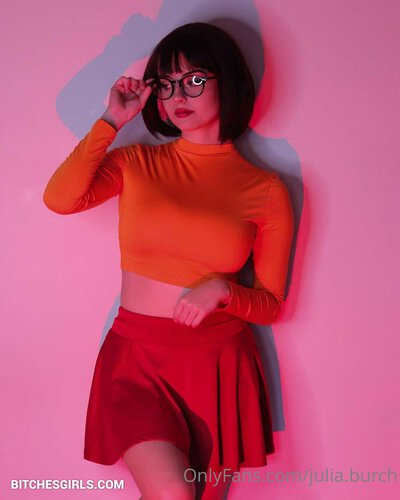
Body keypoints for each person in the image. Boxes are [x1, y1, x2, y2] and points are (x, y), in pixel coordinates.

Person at [43, 22, 294, 500]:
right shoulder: (137, 163)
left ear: (227, 81)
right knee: (174, 493)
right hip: (137, 359)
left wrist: (223, 290)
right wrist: (112, 120)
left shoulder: (264, 190)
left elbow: (271, 304)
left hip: (217, 363)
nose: (179, 95)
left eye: (195, 80)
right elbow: (60, 199)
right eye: (166, 83)